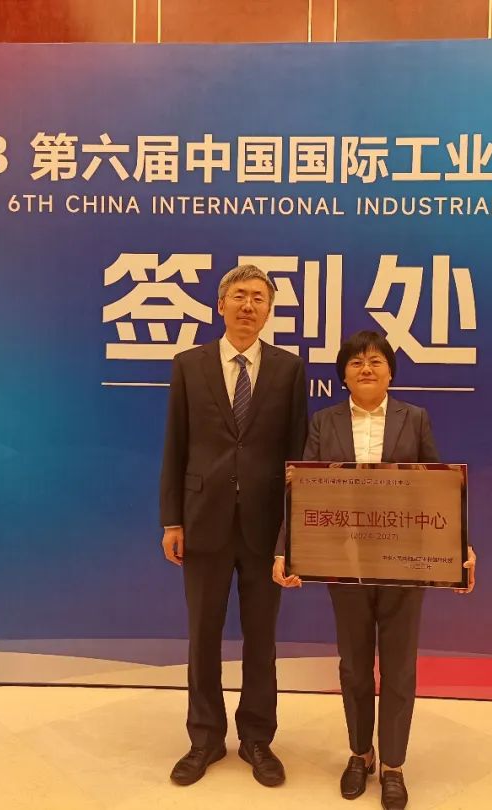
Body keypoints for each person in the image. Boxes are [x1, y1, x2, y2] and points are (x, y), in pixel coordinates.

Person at [272, 330, 476, 810]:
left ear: (390, 372)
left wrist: (459, 549)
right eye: (356, 362)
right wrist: (287, 550)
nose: (366, 368)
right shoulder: (323, 422)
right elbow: (304, 490)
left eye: (376, 361)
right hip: (344, 562)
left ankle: (394, 766)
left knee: (400, 668)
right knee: (354, 665)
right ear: (343, 375)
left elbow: (438, 488)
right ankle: (360, 754)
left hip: (405, 563)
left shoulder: (415, 418)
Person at [160, 264, 308, 788]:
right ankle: (204, 738)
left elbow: (297, 455)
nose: (249, 306)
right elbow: (176, 445)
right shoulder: (189, 365)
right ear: (220, 304)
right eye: (240, 296)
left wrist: (293, 534)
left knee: (261, 640)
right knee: (202, 636)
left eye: (259, 298)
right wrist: (173, 519)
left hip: (266, 530)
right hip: (203, 522)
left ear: (269, 310)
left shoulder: (289, 370)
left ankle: (257, 739)